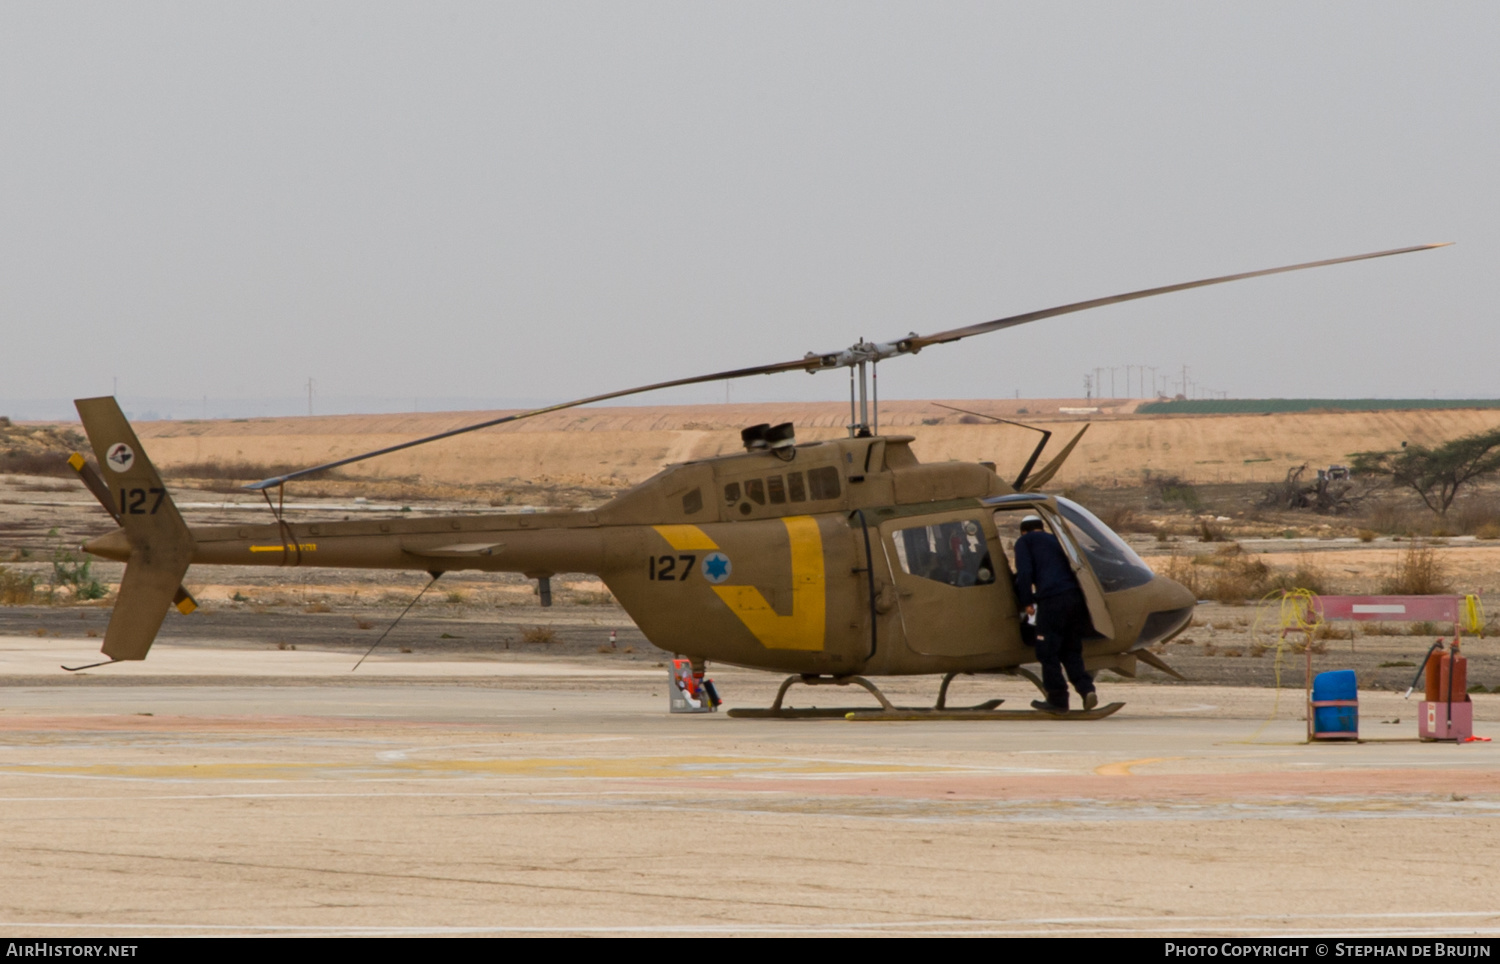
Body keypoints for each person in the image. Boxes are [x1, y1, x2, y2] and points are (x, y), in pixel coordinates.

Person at [1012, 514, 1099, 713]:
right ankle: (1087, 690)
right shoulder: (1056, 540)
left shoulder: (1025, 541)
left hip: (1052, 600)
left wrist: (1026, 601)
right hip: (1075, 598)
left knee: (1047, 650)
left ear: (1023, 530)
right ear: (1041, 527)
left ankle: (1058, 698)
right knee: (1070, 649)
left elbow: (1024, 572)